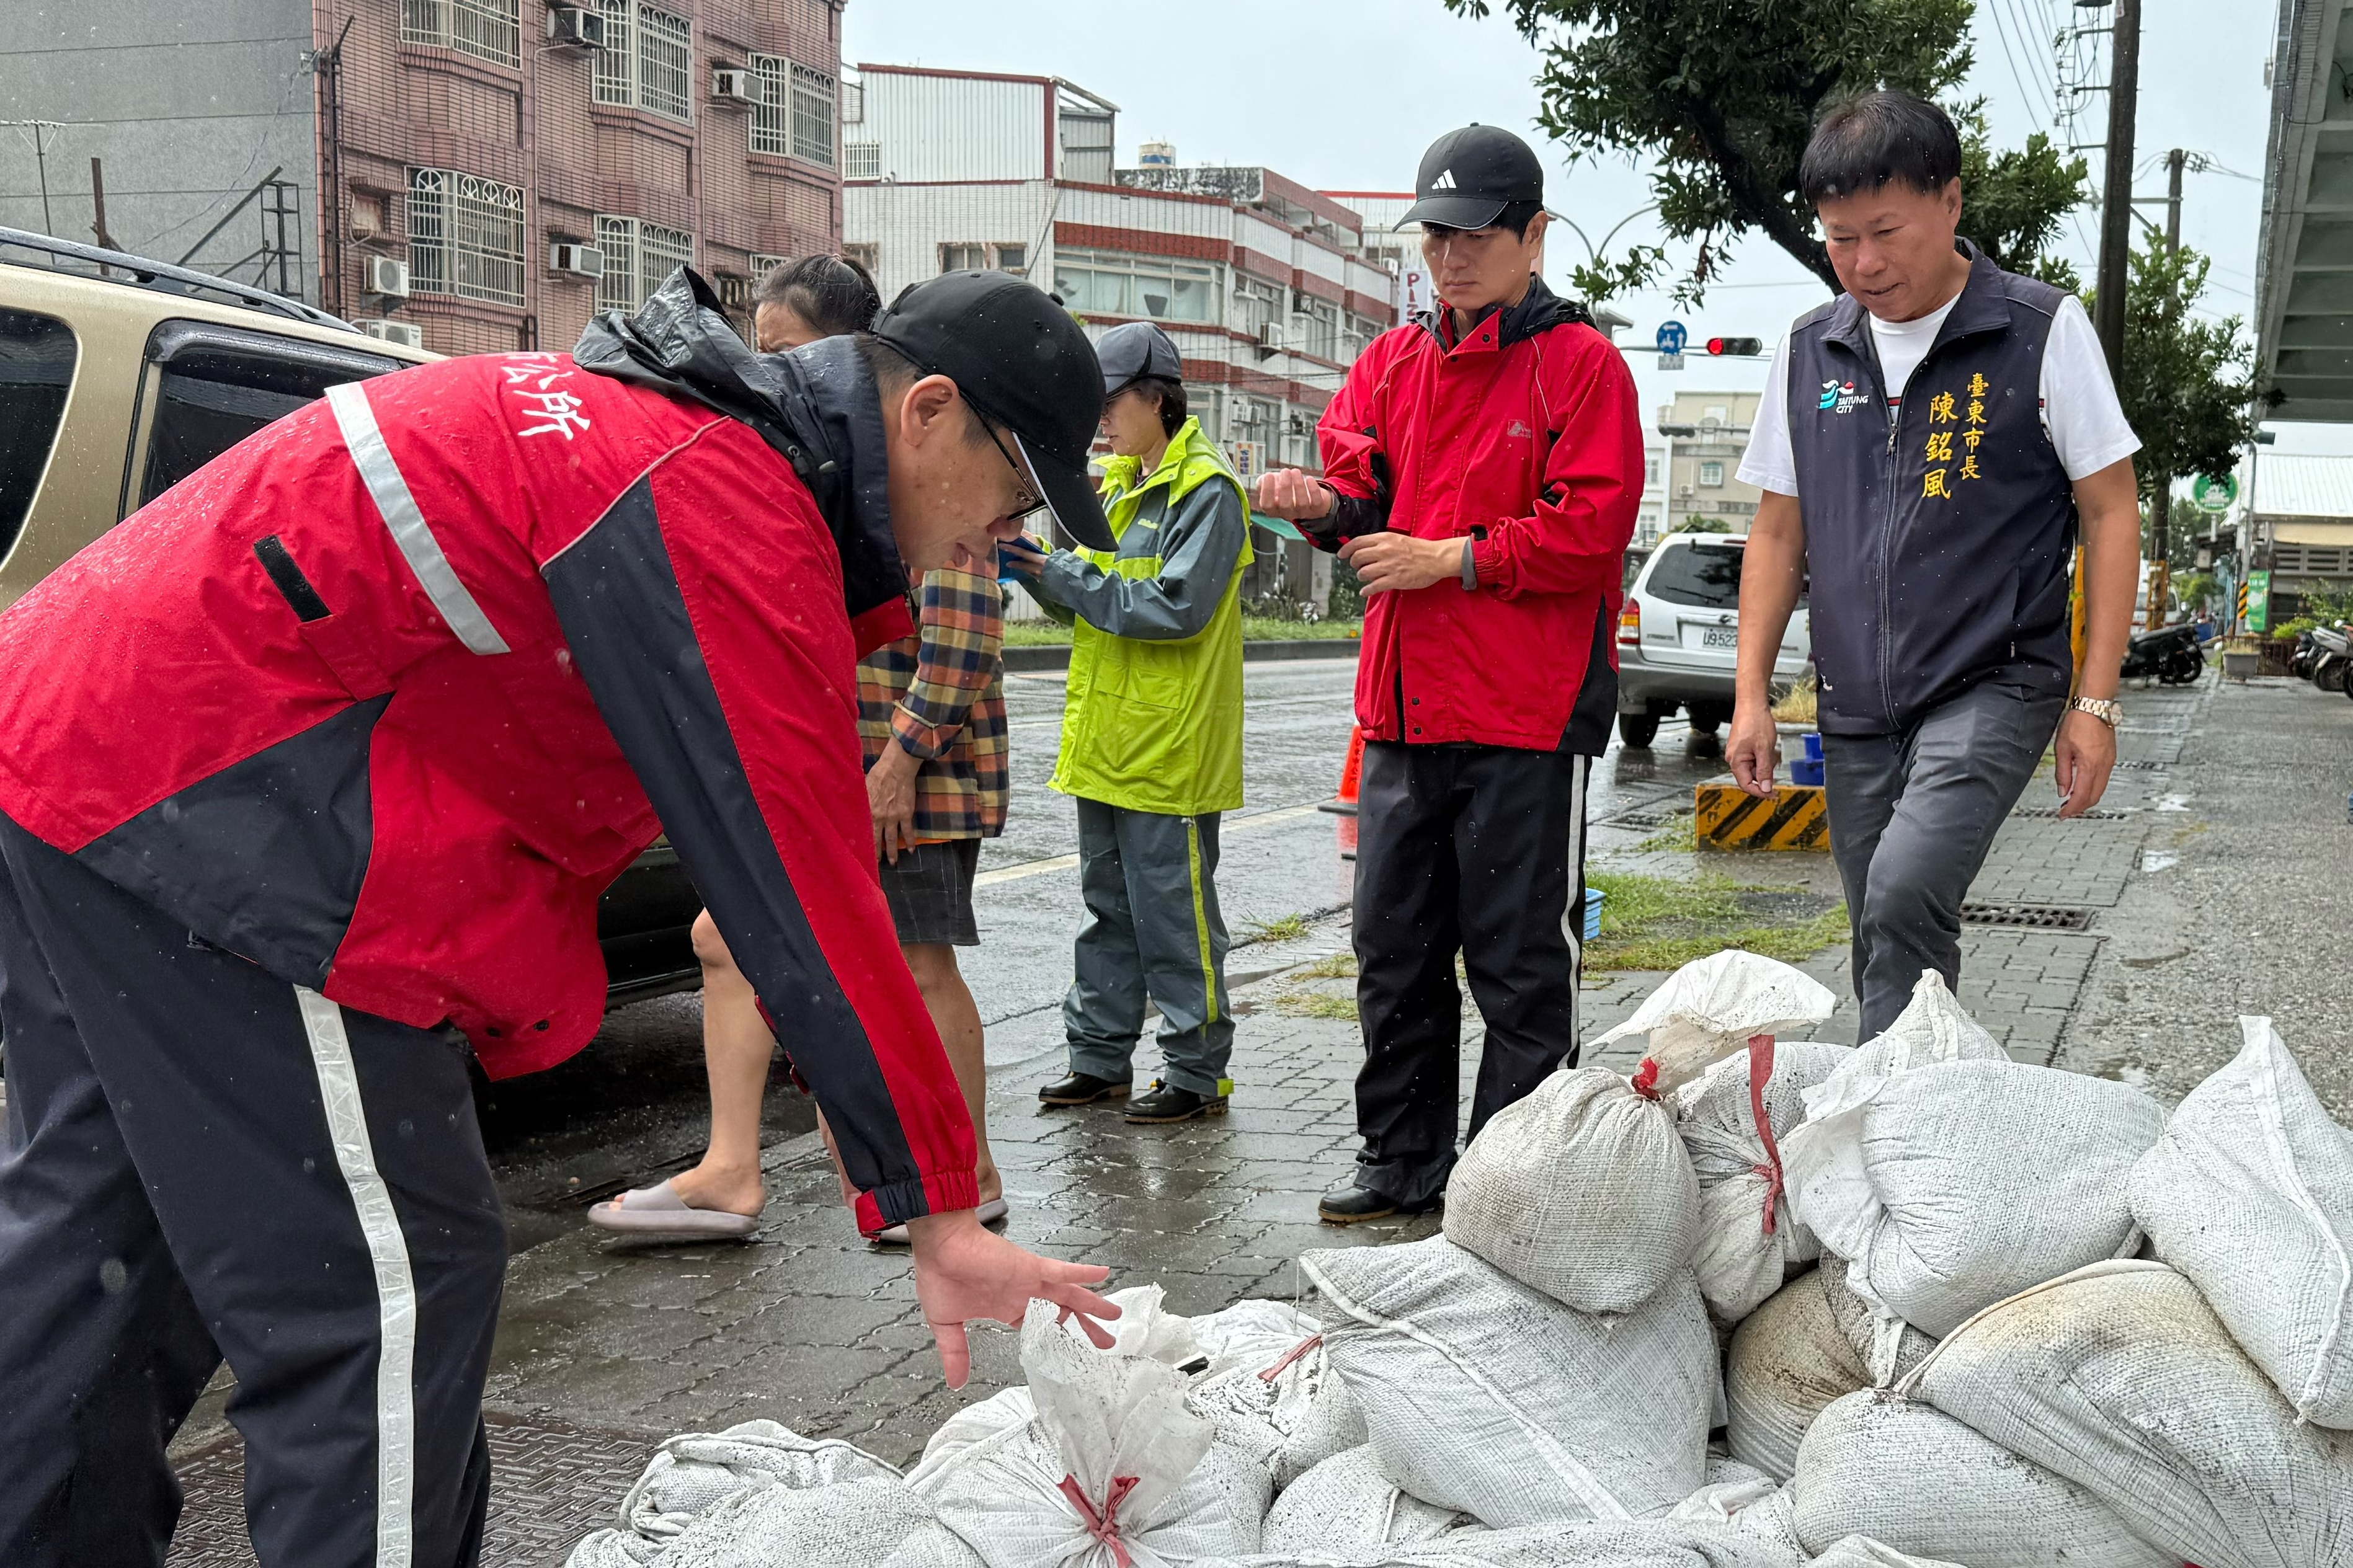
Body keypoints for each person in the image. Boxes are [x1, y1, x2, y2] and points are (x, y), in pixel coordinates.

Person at [0, 266, 1123, 1566]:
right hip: (223, 800)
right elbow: (800, 877)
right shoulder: (716, 491)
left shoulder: (659, 432)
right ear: (928, 412)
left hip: (73, 744)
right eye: (1017, 492)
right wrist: (936, 1204)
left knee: (103, 1262)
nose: (1004, 535)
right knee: (384, 1300)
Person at [1252, 124, 1642, 1223]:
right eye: (1435, 236)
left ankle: (1513, 1184)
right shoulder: (1389, 363)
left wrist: (1455, 558)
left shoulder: (1581, 365)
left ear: (1532, 235)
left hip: (1527, 711)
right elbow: (1361, 493)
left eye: (1475, 234)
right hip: (1403, 707)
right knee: (1392, 947)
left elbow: (1590, 526)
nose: (1451, 257)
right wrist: (1318, 505)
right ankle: (1402, 1161)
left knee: (1519, 959)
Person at [591, 255, 1011, 1247]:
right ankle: (733, 1166)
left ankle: (964, 1180)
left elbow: (961, 641)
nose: (761, 372)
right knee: (722, 939)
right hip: (840, 774)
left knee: (914, 966)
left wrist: (897, 764)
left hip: (906, 781)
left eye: (783, 352)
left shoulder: (938, 475)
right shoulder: (805, 475)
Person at [1725, 91, 2141, 1039]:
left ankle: (1899, 1129)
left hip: (1992, 682)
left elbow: (2110, 510)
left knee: (1904, 895)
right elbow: (1777, 533)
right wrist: (1751, 693)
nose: (1864, 265)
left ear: (1949, 203)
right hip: (1857, 702)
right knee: (1883, 938)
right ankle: (1918, 1121)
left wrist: (2095, 700)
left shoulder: (2037, 330)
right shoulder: (1808, 350)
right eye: (1838, 240)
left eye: (1884, 231)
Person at [1000, 322, 1253, 1125]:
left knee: (1174, 920)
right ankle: (1099, 1061)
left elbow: (1174, 608)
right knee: (1107, 911)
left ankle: (1195, 1072)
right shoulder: (1112, 486)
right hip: (1108, 742)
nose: (1101, 418)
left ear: (1158, 397)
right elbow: (1091, 601)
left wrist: (1059, 572)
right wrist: (1031, 569)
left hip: (1169, 750)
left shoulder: (1206, 491)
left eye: (1110, 401)